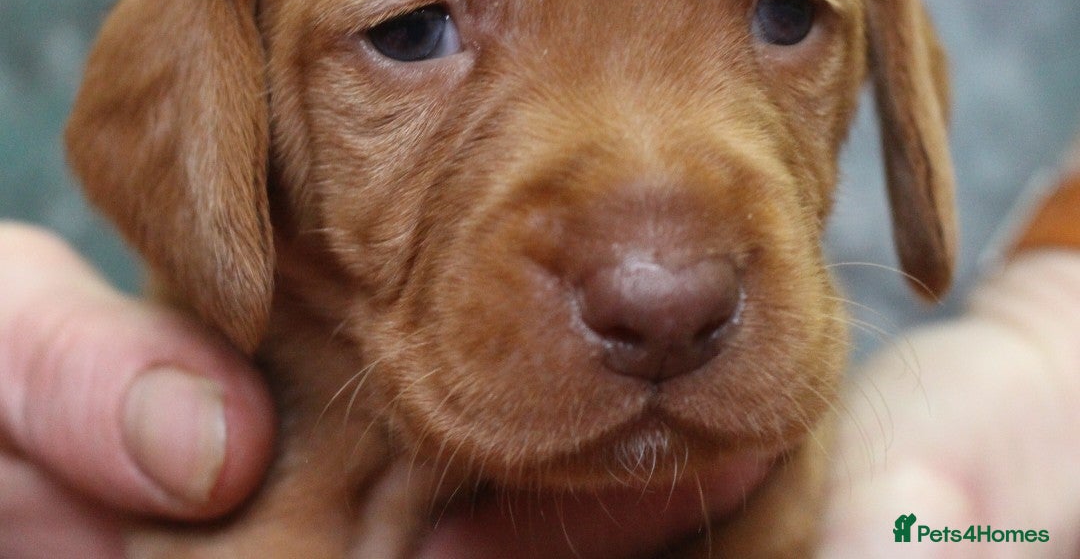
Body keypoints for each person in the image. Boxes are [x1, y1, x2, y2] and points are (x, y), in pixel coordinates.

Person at [2, 155, 1079, 558]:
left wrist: (1049, 347)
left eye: (785, 14)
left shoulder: (939, 516)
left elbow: (961, 529)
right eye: (415, 28)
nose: (664, 277)